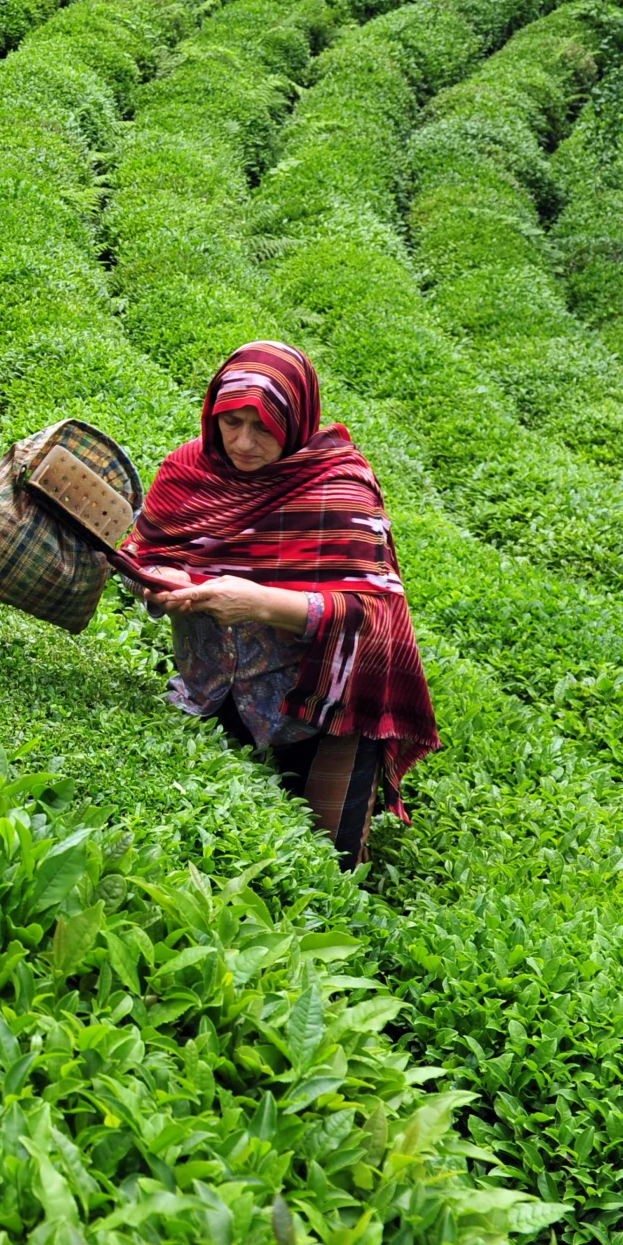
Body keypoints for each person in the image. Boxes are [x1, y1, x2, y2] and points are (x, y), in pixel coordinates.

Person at [126, 340, 439, 870]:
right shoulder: (189, 473)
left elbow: (376, 615)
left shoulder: (338, 489)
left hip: (317, 708)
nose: (244, 443)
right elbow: (143, 553)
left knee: (329, 867)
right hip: (211, 690)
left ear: (297, 420)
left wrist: (257, 604)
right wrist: (158, 579)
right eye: (231, 422)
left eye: (264, 427)